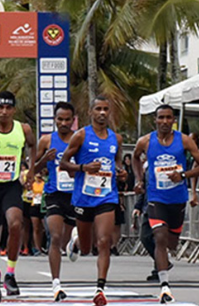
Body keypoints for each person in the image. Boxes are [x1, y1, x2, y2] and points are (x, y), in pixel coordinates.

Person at [133, 104, 199, 304]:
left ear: (173, 120)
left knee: (171, 243)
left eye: (168, 118)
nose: (164, 122)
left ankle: (164, 270)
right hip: (156, 198)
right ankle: (164, 286)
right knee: (159, 237)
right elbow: (135, 158)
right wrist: (139, 180)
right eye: (161, 118)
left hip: (177, 199)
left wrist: (182, 175)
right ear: (155, 120)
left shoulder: (184, 140)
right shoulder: (146, 141)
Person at [60, 97, 127, 306]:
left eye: (106, 109)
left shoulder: (116, 138)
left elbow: (116, 161)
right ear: (90, 112)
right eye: (98, 109)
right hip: (83, 197)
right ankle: (77, 241)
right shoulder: (81, 136)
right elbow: (63, 162)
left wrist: (120, 172)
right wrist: (82, 168)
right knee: (87, 248)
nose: (102, 113)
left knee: (104, 241)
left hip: (107, 196)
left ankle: (100, 288)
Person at [0, 91, 36, 303]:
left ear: (13, 110)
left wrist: (30, 169)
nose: (4, 111)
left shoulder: (23, 129)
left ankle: (11, 274)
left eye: (8, 108)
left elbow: (33, 145)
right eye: (0, 107)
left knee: (15, 224)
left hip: (11, 185)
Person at [34, 101, 76, 301]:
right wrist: (43, 160)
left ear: (73, 120)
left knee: (73, 242)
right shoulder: (46, 140)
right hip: (54, 193)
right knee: (55, 237)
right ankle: (56, 284)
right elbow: (33, 168)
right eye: (60, 119)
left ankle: (73, 244)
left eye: (67, 119)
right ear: (55, 119)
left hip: (77, 195)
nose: (64, 123)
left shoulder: (81, 139)